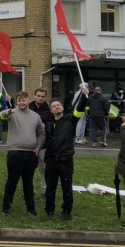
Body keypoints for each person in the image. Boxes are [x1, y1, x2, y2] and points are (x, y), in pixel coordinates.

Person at [43, 86, 88, 220]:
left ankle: (66, 212)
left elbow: (79, 110)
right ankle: (49, 210)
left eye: (58, 105)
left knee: (66, 188)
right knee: (50, 188)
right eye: (54, 106)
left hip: (66, 160)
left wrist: (84, 97)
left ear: (62, 107)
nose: (56, 107)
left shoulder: (70, 119)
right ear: (51, 110)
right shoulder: (48, 123)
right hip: (51, 160)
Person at [0, 91, 45, 216]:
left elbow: (41, 133)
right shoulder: (12, 113)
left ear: (29, 101)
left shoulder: (35, 116)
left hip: (31, 154)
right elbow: (3, 115)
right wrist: (7, 111)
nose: (21, 102)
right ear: (17, 101)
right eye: (19, 100)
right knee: (12, 181)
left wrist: (39, 146)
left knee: (28, 182)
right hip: (14, 153)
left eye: (24, 100)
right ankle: (6, 207)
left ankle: (30, 208)